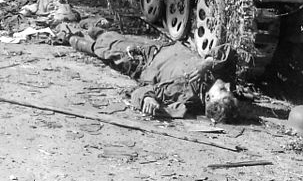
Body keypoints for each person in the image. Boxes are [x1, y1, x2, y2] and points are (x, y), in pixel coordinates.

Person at [70, 30, 240, 123]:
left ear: (209, 98)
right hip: (161, 47)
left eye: (223, 89)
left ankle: (72, 38)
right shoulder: (216, 74)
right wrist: (208, 62)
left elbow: (142, 91)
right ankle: (95, 30)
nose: (227, 85)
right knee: (108, 34)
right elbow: (229, 51)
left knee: (106, 47)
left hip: (143, 60)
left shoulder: (184, 90)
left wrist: (147, 100)